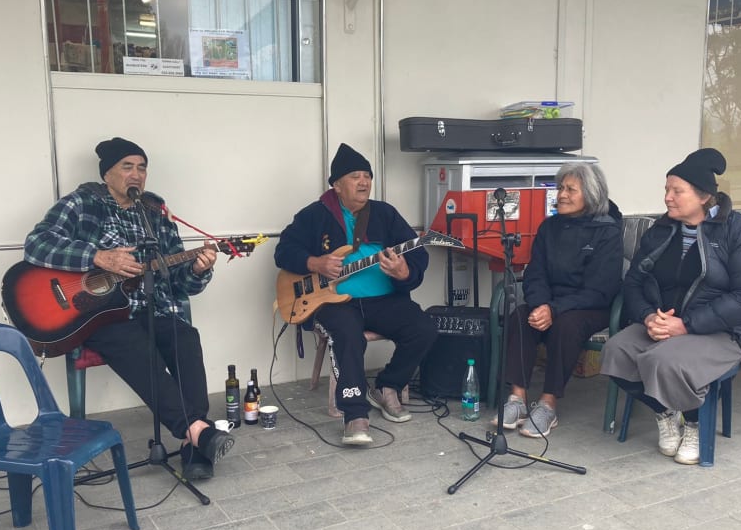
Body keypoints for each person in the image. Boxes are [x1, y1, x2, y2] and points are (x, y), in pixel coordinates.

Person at [23, 137, 234, 480]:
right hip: (99, 315)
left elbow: (178, 283)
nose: (136, 174)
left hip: (154, 309)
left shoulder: (155, 212)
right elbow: (36, 244)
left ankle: (193, 438)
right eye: (127, 167)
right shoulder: (82, 203)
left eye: (142, 167)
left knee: (185, 337)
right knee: (133, 344)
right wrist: (97, 257)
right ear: (107, 173)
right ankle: (197, 433)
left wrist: (197, 269)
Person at [600, 148, 741, 465]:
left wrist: (687, 325)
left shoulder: (740, 232)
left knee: (663, 361)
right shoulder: (662, 231)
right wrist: (649, 316)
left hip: (721, 332)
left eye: (677, 191)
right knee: (617, 351)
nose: (668, 198)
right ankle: (666, 414)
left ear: (704, 195)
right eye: (667, 189)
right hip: (665, 324)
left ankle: (693, 424)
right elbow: (634, 281)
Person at [274, 143, 438, 445]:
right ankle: (355, 413)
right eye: (355, 176)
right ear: (337, 185)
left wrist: (403, 272)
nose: (364, 182)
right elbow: (283, 252)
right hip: (333, 304)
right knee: (348, 334)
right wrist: (315, 263)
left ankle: (388, 386)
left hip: (385, 301)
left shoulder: (386, 214)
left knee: (424, 327)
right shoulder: (314, 215)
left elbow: (418, 256)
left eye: (367, 176)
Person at [492, 163, 623, 438]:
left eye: (570, 189)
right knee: (521, 316)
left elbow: (601, 288)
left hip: (590, 306)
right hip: (551, 302)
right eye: (560, 187)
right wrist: (541, 305)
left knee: (565, 325)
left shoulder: (607, 231)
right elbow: (535, 273)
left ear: (590, 194)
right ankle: (517, 399)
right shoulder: (549, 227)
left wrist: (554, 308)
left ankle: (548, 404)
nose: (561, 194)